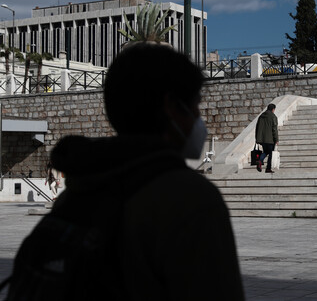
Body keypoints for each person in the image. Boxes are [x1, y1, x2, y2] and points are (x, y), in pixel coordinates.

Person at [49, 43, 244, 300]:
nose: (198, 116)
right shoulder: (190, 199)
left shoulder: (77, 193)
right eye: (195, 103)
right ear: (172, 107)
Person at [255, 103, 279, 173]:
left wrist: (257, 139)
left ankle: (260, 161)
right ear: (273, 109)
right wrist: (276, 139)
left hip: (262, 139)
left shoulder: (261, 116)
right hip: (270, 139)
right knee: (271, 154)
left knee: (266, 152)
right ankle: (268, 168)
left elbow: (257, 128)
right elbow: (274, 129)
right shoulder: (273, 117)